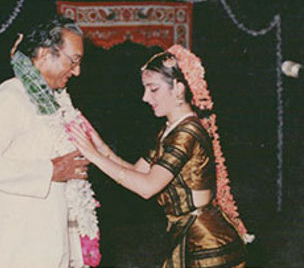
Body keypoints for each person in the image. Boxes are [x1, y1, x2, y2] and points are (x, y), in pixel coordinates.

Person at [67, 45, 249, 268]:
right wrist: (100, 146)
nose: (145, 98)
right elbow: (138, 172)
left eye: (153, 89)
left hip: (208, 244)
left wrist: (93, 155)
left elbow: (147, 187)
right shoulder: (170, 129)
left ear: (178, 89)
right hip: (192, 237)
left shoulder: (186, 133)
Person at [0, 16, 92, 268]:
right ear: (42, 52)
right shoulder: (10, 97)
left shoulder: (55, 104)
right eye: (73, 61)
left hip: (43, 245)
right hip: (9, 249)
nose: (78, 71)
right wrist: (50, 170)